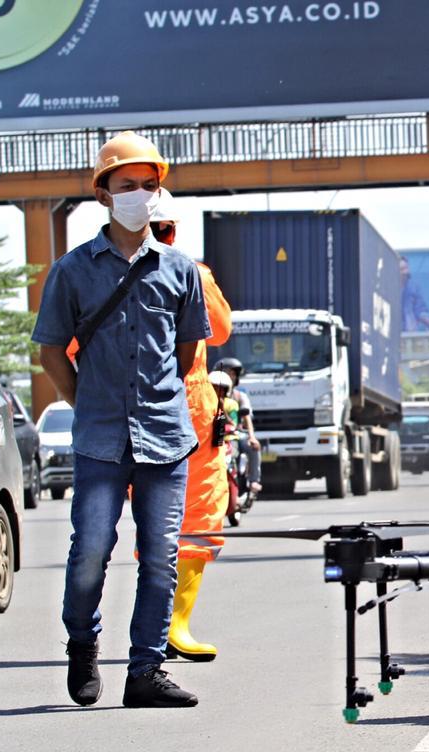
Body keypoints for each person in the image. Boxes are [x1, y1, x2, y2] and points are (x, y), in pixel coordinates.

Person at [33, 131, 210, 708]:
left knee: (160, 557)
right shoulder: (72, 270)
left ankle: (145, 673)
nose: (138, 193)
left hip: (165, 434)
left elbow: (184, 356)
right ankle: (82, 645)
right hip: (100, 436)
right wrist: (87, 400)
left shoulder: (180, 271)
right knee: (90, 550)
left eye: (148, 185)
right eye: (126, 184)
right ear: (104, 194)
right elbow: (51, 349)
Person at [148, 191, 233, 663]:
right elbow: (219, 330)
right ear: (172, 229)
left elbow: (72, 350)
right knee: (198, 515)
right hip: (189, 404)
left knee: (151, 519)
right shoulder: (191, 273)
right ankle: (175, 623)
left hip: (131, 409)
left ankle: (153, 625)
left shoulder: (92, 272)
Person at [214, 357, 261, 493]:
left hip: (234, 433)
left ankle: (253, 480)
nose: (231, 377)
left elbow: (244, 419)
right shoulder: (209, 395)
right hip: (214, 433)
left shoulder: (239, 397)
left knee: (251, 446)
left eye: (233, 374)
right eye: (227, 373)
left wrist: (252, 437)